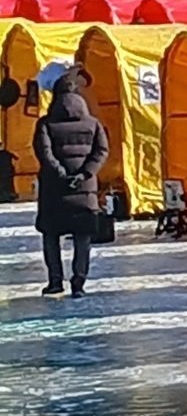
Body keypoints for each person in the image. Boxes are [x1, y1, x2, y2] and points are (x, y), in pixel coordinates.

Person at [32, 67, 108, 298]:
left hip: (54, 190)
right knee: (82, 236)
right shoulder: (93, 124)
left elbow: (44, 153)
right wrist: (85, 173)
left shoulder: (45, 124)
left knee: (51, 235)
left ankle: (55, 281)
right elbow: (102, 150)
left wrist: (60, 173)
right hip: (85, 191)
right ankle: (79, 282)